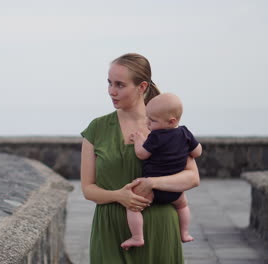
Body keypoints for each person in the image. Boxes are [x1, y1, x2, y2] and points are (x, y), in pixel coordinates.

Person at [80, 53, 200, 263]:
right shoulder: (96, 129)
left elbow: (192, 178)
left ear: (142, 87)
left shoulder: (165, 127)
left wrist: (152, 183)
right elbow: (88, 189)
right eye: (109, 83)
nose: (111, 91)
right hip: (110, 232)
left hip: (160, 229)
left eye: (120, 85)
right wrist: (119, 195)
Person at [121, 93, 203, 250]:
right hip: (175, 190)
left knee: (133, 206)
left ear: (171, 121)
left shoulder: (156, 136)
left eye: (152, 120)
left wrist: (138, 140)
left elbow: (142, 154)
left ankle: (137, 237)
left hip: (153, 189)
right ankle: (185, 233)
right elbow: (198, 152)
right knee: (183, 206)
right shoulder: (185, 133)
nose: (147, 123)